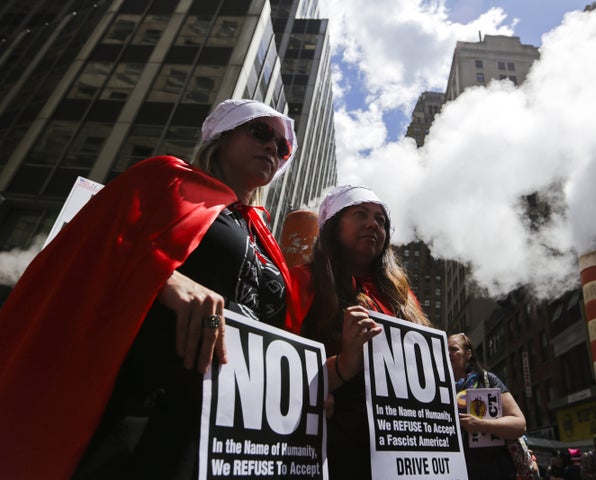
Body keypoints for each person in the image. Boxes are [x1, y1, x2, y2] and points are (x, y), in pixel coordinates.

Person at [0, 99, 302, 480]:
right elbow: (86, 247)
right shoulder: (166, 179)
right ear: (222, 137)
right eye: (261, 132)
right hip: (137, 410)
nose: (274, 147)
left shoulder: (264, 238)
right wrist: (164, 277)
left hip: (216, 434)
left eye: (283, 146)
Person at [290, 184, 432, 479]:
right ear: (333, 225)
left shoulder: (403, 297)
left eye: (381, 220)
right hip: (333, 448)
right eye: (361, 214)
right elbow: (281, 371)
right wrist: (343, 364)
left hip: (401, 452)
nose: (373, 224)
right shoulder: (302, 280)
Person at [449, 332, 527, 479]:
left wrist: (481, 424)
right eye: (445, 350)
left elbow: (519, 424)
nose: (448, 353)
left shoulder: (487, 380)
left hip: (495, 470)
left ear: (468, 354)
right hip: (457, 472)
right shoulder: (439, 389)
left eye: (454, 349)